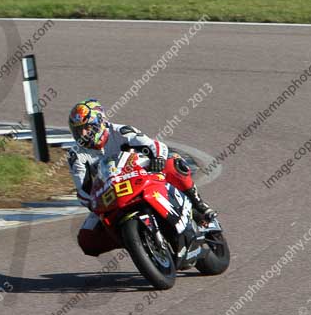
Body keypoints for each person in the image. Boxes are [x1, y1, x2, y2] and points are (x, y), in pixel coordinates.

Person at [67, 99, 217, 257]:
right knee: (86, 239)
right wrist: (92, 202)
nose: (83, 134)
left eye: (87, 128)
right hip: (112, 194)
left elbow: (155, 146)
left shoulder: (121, 132)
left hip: (141, 175)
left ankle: (198, 204)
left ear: (100, 122)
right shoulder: (76, 155)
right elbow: (83, 189)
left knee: (173, 164)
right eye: (78, 131)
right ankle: (133, 241)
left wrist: (158, 159)